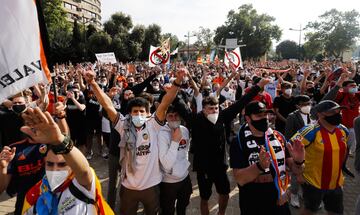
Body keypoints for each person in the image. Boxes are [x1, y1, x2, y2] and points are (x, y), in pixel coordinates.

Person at [81, 66, 186, 215]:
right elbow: (107, 105)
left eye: (141, 111)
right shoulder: (124, 125)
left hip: (151, 185)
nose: (138, 114)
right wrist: (93, 83)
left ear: (148, 113)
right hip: (128, 186)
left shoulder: (153, 124)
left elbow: (165, 103)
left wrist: (178, 81)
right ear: (129, 114)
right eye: (135, 112)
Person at [190, 73, 270, 215]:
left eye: (216, 108)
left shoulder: (223, 116)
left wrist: (258, 86)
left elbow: (241, 103)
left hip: (220, 166)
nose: (214, 111)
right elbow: (180, 107)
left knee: (225, 193)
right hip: (203, 167)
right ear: (203, 110)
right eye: (210, 109)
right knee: (204, 197)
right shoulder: (196, 120)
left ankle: (221, 213)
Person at [20, 107, 113, 215]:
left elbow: (84, 171)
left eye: (62, 164)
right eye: (50, 164)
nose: (55, 170)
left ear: (72, 165)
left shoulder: (81, 184)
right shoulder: (34, 194)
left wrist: (60, 141)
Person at [230, 101, 305, 215]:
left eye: (266, 115)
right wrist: (259, 166)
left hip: (280, 200)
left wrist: (299, 161)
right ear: (248, 118)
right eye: (259, 116)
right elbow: (240, 179)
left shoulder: (278, 137)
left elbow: (296, 170)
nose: (264, 118)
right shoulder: (239, 142)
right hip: (253, 203)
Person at [0, 95, 67, 215]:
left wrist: (61, 116)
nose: (34, 126)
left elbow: (65, 140)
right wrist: (3, 166)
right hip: (25, 204)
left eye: (37, 121)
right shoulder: (14, 150)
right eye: (29, 122)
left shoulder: (50, 143)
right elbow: (1, 188)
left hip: (51, 201)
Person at [290, 100, 349, 215]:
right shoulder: (309, 131)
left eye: (339, 111)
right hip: (313, 183)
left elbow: (343, 151)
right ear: (320, 114)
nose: (338, 115)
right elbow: (291, 150)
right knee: (310, 210)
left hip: (336, 183)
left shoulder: (343, 130)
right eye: (333, 112)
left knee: (336, 211)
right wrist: (298, 174)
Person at [158, 105, 192, 215]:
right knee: (168, 211)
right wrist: (175, 141)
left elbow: (185, 151)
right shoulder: (161, 134)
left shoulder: (185, 130)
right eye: (170, 116)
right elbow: (166, 164)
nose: (173, 118)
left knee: (183, 207)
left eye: (176, 115)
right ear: (166, 118)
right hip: (168, 182)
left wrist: (184, 166)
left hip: (184, 179)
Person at [284, 95, 314, 208]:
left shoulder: (312, 115)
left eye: (309, 103)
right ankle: (294, 194)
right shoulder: (292, 117)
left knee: (306, 172)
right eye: (304, 104)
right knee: (296, 173)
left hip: (310, 150)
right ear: (297, 105)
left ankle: (302, 192)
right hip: (296, 150)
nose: (307, 106)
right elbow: (288, 135)